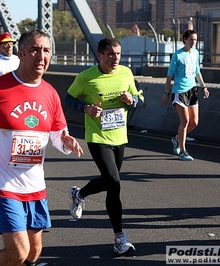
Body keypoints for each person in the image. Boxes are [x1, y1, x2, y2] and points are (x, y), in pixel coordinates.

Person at [0, 29, 83, 266]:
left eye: (46, 51)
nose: (40, 56)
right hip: (3, 182)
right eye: (34, 50)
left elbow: (57, 133)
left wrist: (65, 141)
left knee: (34, 253)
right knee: (18, 253)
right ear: (21, 54)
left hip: (35, 184)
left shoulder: (50, 93)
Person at [64, 37, 143, 255]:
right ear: (99, 55)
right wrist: (85, 108)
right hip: (97, 137)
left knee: (109, 182)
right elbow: (68, 99)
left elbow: (139, 98)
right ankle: (119, 238)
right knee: (115, 184)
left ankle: (79, 194)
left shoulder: (126, 73)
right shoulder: (86, 77)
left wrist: (131, 100)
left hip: (119, 136)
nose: (115, 58)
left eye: (118, 53)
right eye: (110, 54)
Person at [162, 30, 209, 161]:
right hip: (179, 91)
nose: (193, 42)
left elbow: (197, 72)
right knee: (185, 121)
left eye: (195, 40)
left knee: (194, 122)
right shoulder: (177, 55)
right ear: (185, 39)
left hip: (192, 90)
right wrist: (166, 93)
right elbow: (169, 76)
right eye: (191, 39)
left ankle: (177, 139)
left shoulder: (195, 53)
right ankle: (183, 151)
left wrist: (203, 87)